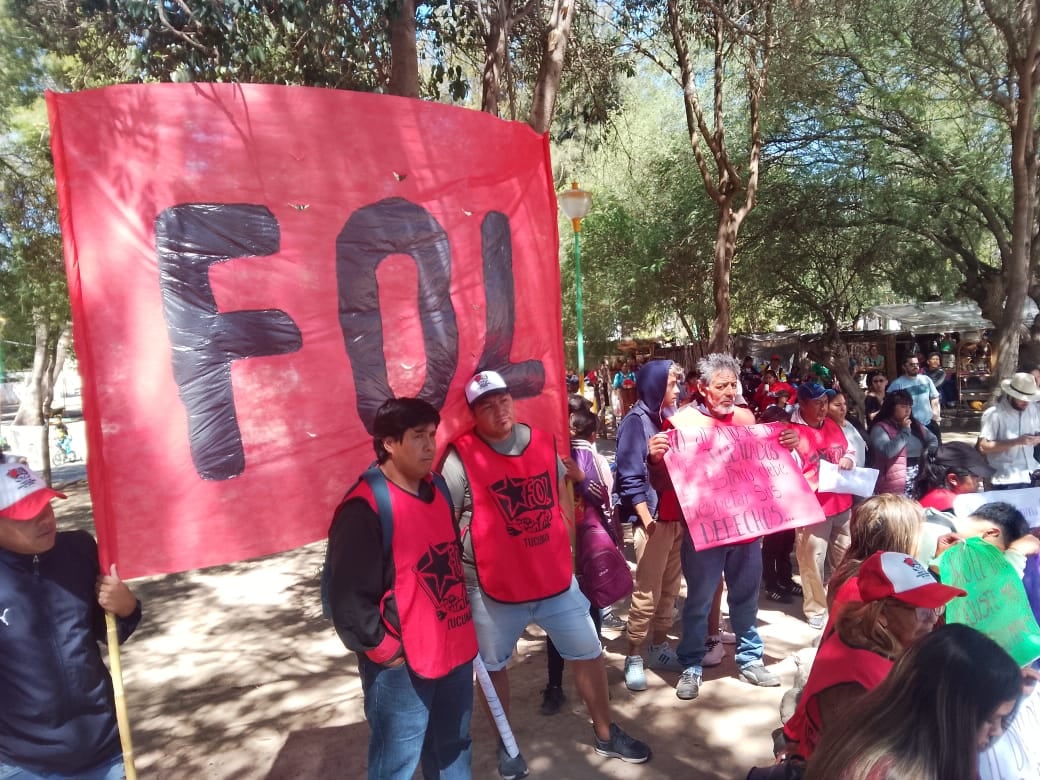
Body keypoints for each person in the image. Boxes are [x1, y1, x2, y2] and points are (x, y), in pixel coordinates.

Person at [441, 371, 651, 775]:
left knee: (588, 653)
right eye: (486, 405)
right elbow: (444, 523)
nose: (498, 409)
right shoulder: (459, 456)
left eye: (502, 400)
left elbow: (560, 502)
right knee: (494, 665)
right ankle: (507, 743)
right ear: (473, 413)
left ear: (513, 401)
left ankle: (606, 734)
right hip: (490, 588)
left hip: (553, 582)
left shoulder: (541, 442)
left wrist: (569, 561)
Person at [326, 398, 478, 780]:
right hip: (402, 665)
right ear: (389, 443)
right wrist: (387, 651)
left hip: (452, 647)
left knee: (453, 746)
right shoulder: (364, 508)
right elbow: (346, 599)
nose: (430, 445)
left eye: (432, 434)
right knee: (397, 763)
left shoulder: (440, 488)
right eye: (418, 437)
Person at [654, 353, 800, 700]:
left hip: (747, 528)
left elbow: (766, 463)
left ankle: (750, 659)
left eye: (733, 385)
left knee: (746, 597)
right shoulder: (682, 423)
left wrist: (786, 445)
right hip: (704, 530)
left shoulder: (747, 417)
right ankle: (691, 662)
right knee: (700, 600)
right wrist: (655, 458)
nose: (729, 392)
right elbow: (662, 481)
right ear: (702, 388)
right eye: (721, 386)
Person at [0, 462, 142, 780]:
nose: (45, 519)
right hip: (22, 763)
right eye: (26, 513)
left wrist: (126, 607)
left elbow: (108, 631)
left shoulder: (78, 549)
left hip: (105, 749)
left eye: (46, 505)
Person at [782, 551, 967, 761]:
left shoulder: (873, 639)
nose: (933, 620)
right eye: (922, 612)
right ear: (881, 614)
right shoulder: (862, 675)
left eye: (936, 608)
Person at [805, 623, 1022, 780]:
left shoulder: (871, 726)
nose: (997, 731)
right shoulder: (886, 772)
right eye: (990, 719)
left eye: (1003, 720)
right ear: (949, 713)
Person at [614, 360, 689, 691]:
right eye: (672, 384)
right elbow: (628, 475)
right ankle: (634, 655)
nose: (677, 390)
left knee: (670, 590)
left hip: (675, 519)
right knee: (647, 591)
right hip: (655, 522)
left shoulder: (667, 420)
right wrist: (647, 521)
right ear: (656, 386)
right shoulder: (636, 422)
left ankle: (659, 648)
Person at [541, 401, 615, 715]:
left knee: (592, 612)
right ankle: (554, 686)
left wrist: (581, 477)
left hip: (586, 551)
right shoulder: (545, 455)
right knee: (555, 620)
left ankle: (596, 683)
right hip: (556, 552)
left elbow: (604, 497)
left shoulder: (588, 457)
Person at [790, 382, 855, 630]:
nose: (823, 407)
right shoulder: (792, 432)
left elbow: (848, 449)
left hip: (842, 503)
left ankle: (841, 602)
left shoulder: (832, 424)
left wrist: (848, 459)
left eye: (825, 402)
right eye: (817, 402)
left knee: (845, 557)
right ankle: (816, 607)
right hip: (813, 509)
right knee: (812, 561)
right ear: (803, 404)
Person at [868, 389, 938, 498]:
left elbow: (933, 439)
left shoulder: (915, 425)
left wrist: (928, 452)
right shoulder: (880, 428)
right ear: (892, 408)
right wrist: (905, 432)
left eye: (909, 407)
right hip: (894, 480)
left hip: (918, 477)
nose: (907, 410)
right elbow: (888, 452)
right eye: (903, 406)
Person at [977, 372, 1040, 489]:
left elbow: (1037, 431)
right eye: (1021, 398)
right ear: (1012, 394)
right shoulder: (994, 414)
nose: (1025, 402)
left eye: (1028, 398)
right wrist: (1016, 442)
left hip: (1032, 472)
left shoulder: (1032, 410)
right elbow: (983, 447)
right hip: (1005, 478)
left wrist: (1036, 439)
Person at [915, 441, 994, 511]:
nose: (980, 479)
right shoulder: (952, 506)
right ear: (953, 479)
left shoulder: (933, 493)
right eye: (975, 475)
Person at [886, 355, 941, 443]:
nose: (915, 366)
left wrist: (936, 415)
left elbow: (934, 397)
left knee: (937, 452)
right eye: (912, 364)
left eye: (917, 364)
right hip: (911, 426)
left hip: (929, 423)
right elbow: (889, 405)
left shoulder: (926, 379)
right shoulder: (897, 384)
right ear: (904, 366)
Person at [825, 389, 867, 469]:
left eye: (844, 404)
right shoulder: (826, 429)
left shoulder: (852, 421)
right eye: (837, 405)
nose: (843, 408)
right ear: (826, 407)